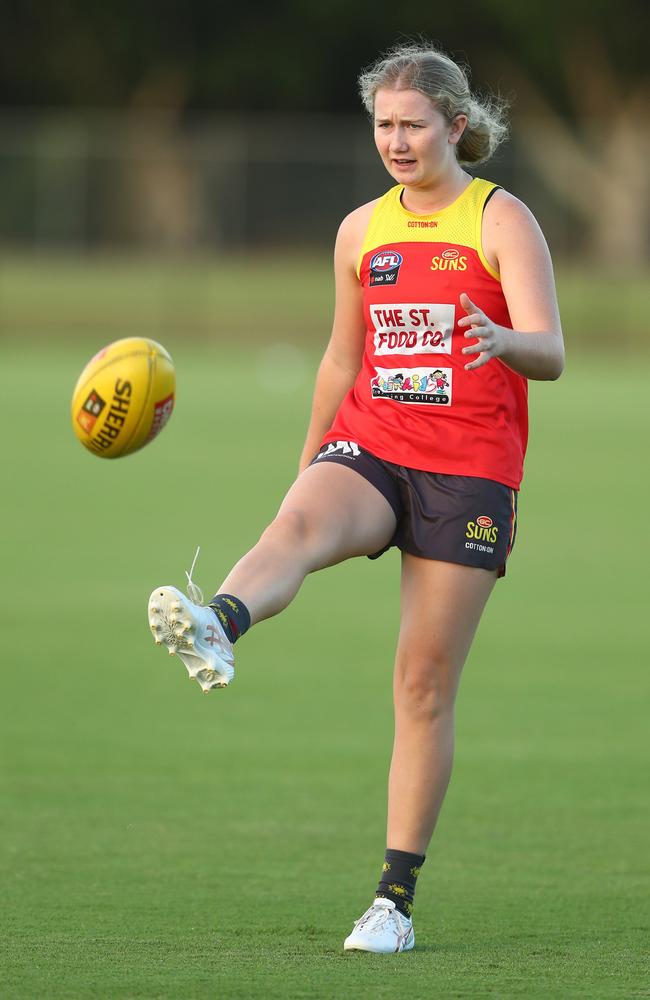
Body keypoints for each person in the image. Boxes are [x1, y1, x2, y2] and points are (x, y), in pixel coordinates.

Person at [147, 41, 564, 954]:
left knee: (421, 685)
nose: (398, 142)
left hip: (470, 473)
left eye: (414, 125)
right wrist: (311, 456)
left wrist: (501, 337)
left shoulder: (500, 220)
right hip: (376, 441)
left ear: (456, 125)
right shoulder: (359, 231)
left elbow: (552, 350)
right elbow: (342, 358)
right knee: (297, 521)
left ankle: (393, 902)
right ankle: (220, 618)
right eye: (384, 125)